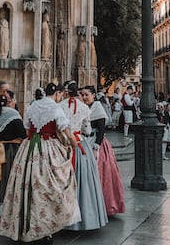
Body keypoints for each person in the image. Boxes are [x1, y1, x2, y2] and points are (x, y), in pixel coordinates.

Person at [0, 83, 78, 243]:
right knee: (49, 187)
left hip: (29, 148)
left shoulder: (32, 107)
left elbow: (27, 129)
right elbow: (64, 130)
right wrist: (73, 143)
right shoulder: (56, 109)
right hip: (48, 149)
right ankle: (45, 228)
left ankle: (24, 226)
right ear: (56, 94)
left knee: (26, 186)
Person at [60, 81, 107, 231]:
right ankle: (84, 216)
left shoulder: (60, 105)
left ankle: (60, 215)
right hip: (79, 143)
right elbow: (86, 129)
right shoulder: (84, 108)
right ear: (78, 93)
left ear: (66, 92)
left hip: (63, 144)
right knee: (83, 180)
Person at [81, 85, 124, 216]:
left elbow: (101, 130)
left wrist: (96, 146)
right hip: (84, 141)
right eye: (82, 95)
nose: (84, 97)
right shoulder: (83, 108)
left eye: (87, 95)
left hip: (96, 142)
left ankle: (103, 205)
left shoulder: (97, 107)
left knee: (102, 173)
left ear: (93, 95)